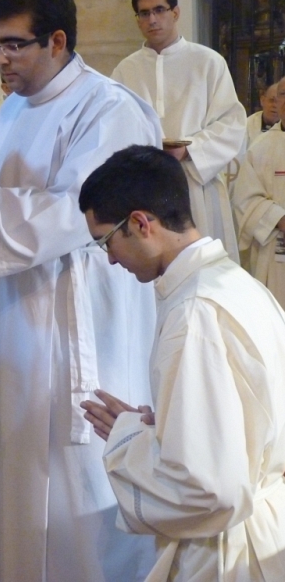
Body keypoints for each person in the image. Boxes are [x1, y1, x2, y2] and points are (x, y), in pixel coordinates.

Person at [0, 0, 164, 580]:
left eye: (13, 46)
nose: (0, 60)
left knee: (77, 477)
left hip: (84, 321)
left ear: (57, 40)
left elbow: (83, 213)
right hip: (17, 321)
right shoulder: (13, 109)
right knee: (20, 464)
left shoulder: (110, 108)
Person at [80, 144, 285, 582]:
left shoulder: (193, 314)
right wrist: (161, 430)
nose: (111, 258)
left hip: (228, 553)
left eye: (106, 240)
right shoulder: (238, 284)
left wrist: (127, 444)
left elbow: (209, 491)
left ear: (140, 223)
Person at [111, 0, 246, 263]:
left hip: (195, 183)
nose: (152, 19)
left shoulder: (208, 62)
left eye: (159, 10)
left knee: (203, 271)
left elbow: (232, 124)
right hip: (144, 188)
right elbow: (114, 126)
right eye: (143, 13)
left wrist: (188, 150)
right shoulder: (125, 70)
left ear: (175, 12)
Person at [232, 76, 285, 309]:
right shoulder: (261, 147)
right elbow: (245, 199)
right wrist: (280, 219)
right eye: (282, 94)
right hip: (275, 252)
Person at [246, 82, 279, 147]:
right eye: (272, 100)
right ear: (262, 100)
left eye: (279, 102)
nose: (275, 105)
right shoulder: (247, 125)